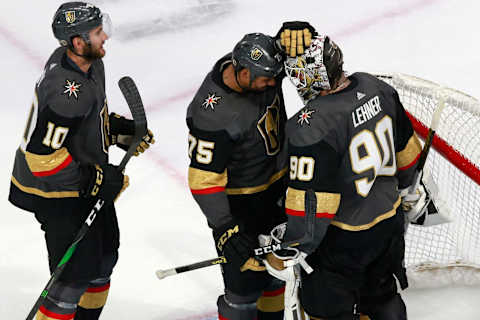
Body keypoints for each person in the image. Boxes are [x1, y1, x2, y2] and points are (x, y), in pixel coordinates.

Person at [264, 22, 425, 320]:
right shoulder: (376, 86)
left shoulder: (310, 125)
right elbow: (408, 154)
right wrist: (410, 192)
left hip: (343, 241)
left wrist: (290, 247)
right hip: (389, 224)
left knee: (325, 311)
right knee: (382, 295)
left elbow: (312, 205)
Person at [8, 2, 154, 320]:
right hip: (55, 191)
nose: (105, 37)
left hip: (81, 181)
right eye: (98, 32)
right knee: (73, 279)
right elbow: (41, 157)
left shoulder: (90, 64)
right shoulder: (65, 90)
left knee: (103, 260)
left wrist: (118, 131)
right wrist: (94, 180)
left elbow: (84, 123)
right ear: (78, 42)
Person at [186, 33, 288, 320]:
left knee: (277, 276)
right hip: (243, 205)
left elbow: (299, 59)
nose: (273, 84)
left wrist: (295, 32)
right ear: (243, 73)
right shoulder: (213, 115)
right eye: (266, 80)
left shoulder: (261, 72)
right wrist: (226, 227)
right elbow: (203, 180)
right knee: (243, 291)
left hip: (279, 189)